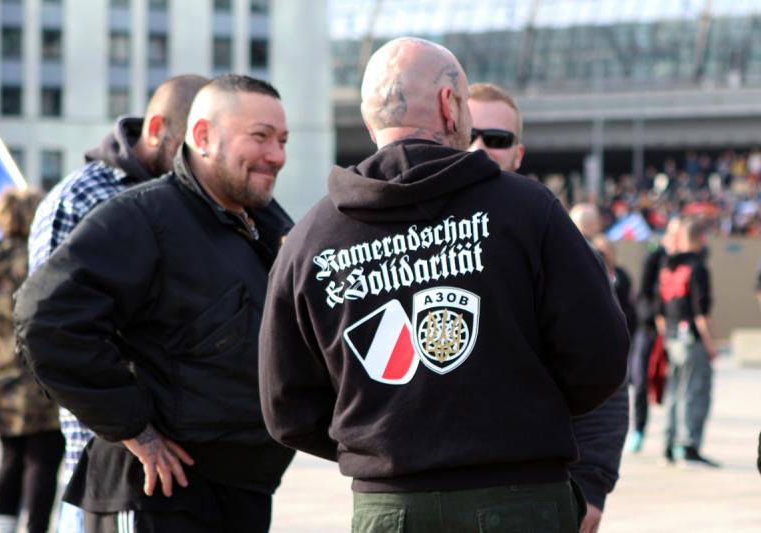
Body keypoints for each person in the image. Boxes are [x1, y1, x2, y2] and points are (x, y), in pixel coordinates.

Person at [258, 37, 629, 533]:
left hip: (388, 510)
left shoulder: (310, 238)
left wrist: (380, 441)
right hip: (520, 499)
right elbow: (601, 355)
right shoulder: (528, 210)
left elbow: (285, 407)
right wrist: (526, 417)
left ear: (371, 120)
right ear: (450, 105)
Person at [14, 74, 294, 533]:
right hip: (156, 498)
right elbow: (45, 319)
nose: (276, 156)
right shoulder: (145, 216)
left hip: (239, 495)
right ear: (202, 136)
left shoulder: (261, 223)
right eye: (259, 137)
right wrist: (135, 428)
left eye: (282, 140)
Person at [27, 74, 207, 532]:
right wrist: (137, 432)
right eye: (193, 142)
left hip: (199, 472)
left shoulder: (203, 199)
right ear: (157, 131)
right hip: (107, 473)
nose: (202, 157)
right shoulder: (79, 199)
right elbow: (49, 336)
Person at [470, 83, 630, 533]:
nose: (481, 148)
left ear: (517, 154)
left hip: (534, 494)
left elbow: (606, 373)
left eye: (497, 139)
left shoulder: (559, 244)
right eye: (469, 134)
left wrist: (592, 487)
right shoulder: (413, 241)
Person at [0, 188, 64, 533]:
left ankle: (0, 528)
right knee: (43, 457)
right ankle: (36, 528)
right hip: (34, 376)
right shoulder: (38, 259)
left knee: (11, 456)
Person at [656, 217, 719, 468]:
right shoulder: (697, 267)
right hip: (691, 339)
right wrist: (710, 344)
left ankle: (669, 446)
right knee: (695, 391)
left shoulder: (667, 266)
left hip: (672, 337)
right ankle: (689, 447)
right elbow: (701, 312)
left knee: (674, 392)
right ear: (700, 238)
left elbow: (660, 310)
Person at [627, 217, 681, 454]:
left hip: (676, 332)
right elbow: (643, 297)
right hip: (649, 330)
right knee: (640, 380)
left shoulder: (690, 260)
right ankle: (638, 430)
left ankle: (675, 440)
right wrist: (655, 318)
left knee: (676, 386)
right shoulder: (655, 257)